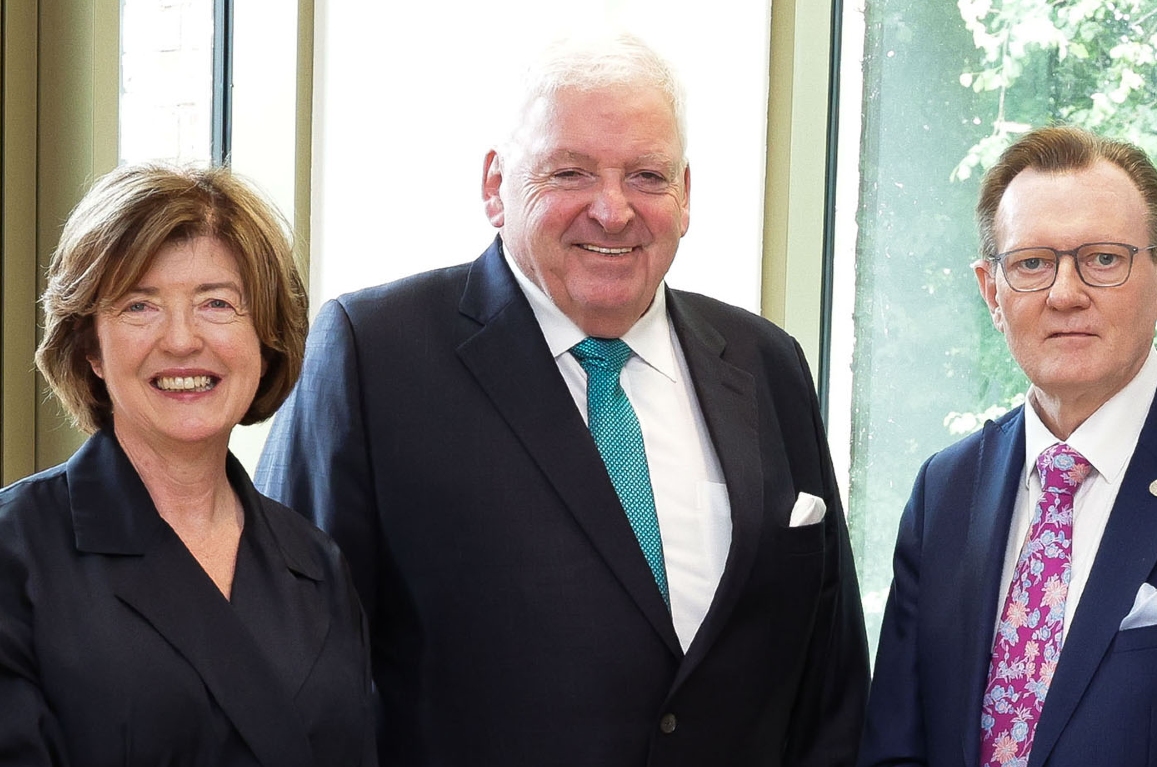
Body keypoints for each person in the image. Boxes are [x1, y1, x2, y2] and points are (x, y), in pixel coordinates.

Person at [256, 33, 868, 766]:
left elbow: (830, 686)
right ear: (496, 186)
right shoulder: (373, 354)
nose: (612, 210)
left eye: (646, 175)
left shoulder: (768, 363)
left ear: (686, 195)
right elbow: (293, 668)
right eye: (570, 172)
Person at [857, 125, 1157, 767]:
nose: (1065, 294)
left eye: (1103, 259)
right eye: (1032, 264)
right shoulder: (945, 491)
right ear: (992, 291)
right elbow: (894, 748)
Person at [0, 164, 374, 766]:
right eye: (139, 305)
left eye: (217, 303)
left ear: (265, 338)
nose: (181, 339)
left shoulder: (315, 564)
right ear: (90, 347)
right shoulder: (3, 552)